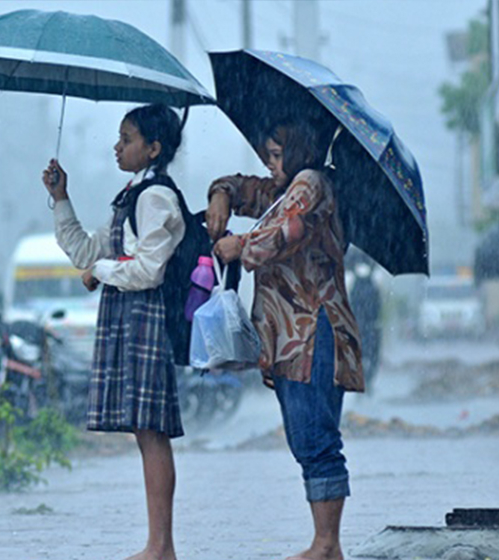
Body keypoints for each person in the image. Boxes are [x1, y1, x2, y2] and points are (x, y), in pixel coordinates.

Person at [206, 120, 364, 560]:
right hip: (289, 338)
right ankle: (325, 542)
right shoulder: (282, 188)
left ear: (297, 153)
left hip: (313, 331)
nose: (269, 164)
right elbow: (240, 187)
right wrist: (220, 196)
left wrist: (241, 245)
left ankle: (327, 544)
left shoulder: (311, 184)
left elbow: (285, 232)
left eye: (277, 155)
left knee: (316, 436)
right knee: (304, 435)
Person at [41, 104, 186, 560]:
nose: (117, 146)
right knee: (145, 431)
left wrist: (100, 272)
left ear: (153, 148)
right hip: (128, 316)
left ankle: (160, 547)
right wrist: (61, 197)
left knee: (152, 429)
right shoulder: (131, 195)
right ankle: (158, 545)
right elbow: (86, 249)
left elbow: (149, 270)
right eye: (119, 138)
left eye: (127, 139)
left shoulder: (156, 197)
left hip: (146, 316)